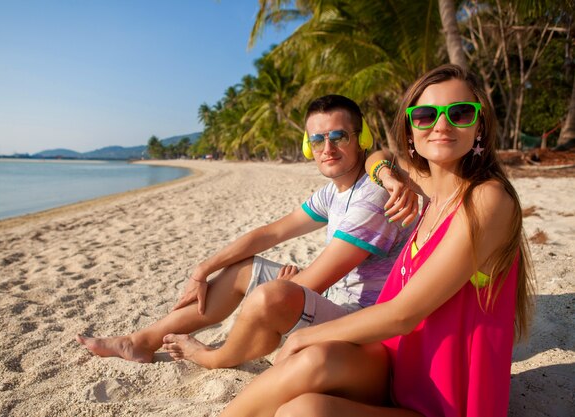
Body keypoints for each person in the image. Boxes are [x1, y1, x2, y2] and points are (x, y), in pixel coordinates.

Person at [218, 64, 535, 417]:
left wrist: (305, 335)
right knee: (312, 364)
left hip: (441, 399)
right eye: (426, 115)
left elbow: (404, 314)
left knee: (303, 410)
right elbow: (379, 155)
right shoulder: (428, 186)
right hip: (397, 364)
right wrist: (389, 176)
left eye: (460, 113)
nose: (442, 125)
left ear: (479, 126)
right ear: (411, 130)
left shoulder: (487, 199)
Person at [76, 94, 416, 369]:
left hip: (359, 323)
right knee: (243, 269)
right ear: (307, 146)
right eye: (317, 139)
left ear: (361, 140)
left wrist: (289, 288)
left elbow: (316, 281)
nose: (327, 148)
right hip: (334, 302)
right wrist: (203, 269)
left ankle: (212, 357)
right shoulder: (336, 191)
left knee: (271, 295)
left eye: (338, 136)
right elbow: (270, 233)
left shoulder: (373, 195)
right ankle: (139, 343)